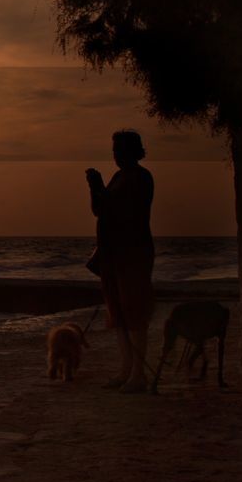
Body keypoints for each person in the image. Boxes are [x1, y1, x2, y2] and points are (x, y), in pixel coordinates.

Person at [86, 130, 155, 393]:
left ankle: (138, 374)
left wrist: (99, 188)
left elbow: (120, 211)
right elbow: (100, 210)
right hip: (113, 254)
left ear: (133, 151)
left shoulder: (140, 177)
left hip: (133, 253)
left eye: (119, 150)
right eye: (114, 150)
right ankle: (126, 369)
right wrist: (95, 187)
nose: (115, 155)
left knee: (134, 312)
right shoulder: (118, 177)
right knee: (118, 314)